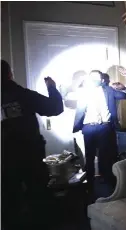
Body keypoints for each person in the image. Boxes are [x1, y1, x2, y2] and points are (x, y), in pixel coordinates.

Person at [1, 59, 64, 229]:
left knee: (8, 195)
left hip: (5, 157)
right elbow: (55, 108)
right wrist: (52, 87)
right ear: (9, 74)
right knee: (37, 192)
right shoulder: (21, 94)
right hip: (29, 153)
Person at [72, 70, 126, 199]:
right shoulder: (83, 91)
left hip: (105, 127)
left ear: (102, 79)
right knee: (89, 158)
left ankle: (108, 189)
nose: (94, 79)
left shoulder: (109, 90)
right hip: (89, 127)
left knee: (106, 158)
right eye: (92, 77)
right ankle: (89, 189)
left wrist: (125, 86)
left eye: (97, 77)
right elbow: (67, 95)